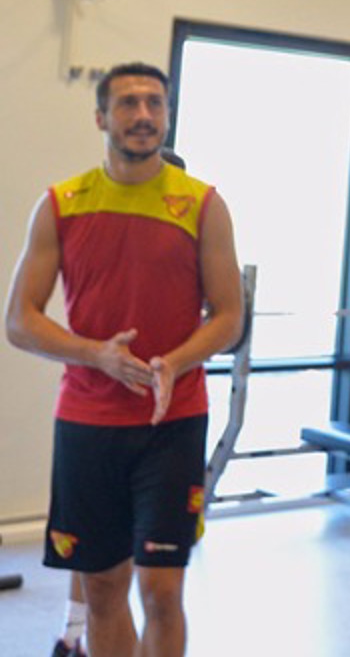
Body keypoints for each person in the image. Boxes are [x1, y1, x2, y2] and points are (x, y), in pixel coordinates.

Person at [5, 64, 243, 657]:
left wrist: (175, 362)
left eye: (155, 103)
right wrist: (97, 356)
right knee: (104, 590)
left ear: (167, 115)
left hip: (172, 421)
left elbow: (229, 317)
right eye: (129, 103)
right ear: (101, 118)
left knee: (162, 592)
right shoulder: (62, 204)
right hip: (88, 423)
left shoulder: (203, 204)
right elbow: (20, 320)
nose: (143, 115)